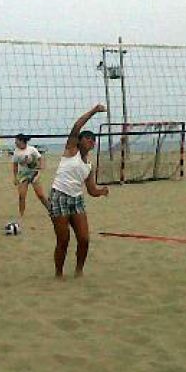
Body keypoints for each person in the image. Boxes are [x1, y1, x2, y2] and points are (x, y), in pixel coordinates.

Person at [45, 104, 109, 278]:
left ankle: (79, 270)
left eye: (93, 140)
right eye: (88, 139)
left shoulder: (89, 165)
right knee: (63, 240)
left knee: (84, 239)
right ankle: (59, 273)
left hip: (76, 199)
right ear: (79, 141)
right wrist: (94, 111)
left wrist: (101, 191)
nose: (91, 141)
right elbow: (77, 126)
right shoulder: (71, 150)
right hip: (59, 196)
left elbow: (91, 190)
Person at [12, 133, 48, 221]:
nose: (15, 142)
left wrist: (40, 167)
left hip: (34, 173)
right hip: (23, 175)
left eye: (16, 141)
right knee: (22, 196)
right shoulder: (16, 152)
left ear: (21, 141)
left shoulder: (32, 149)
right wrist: (15, 177)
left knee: (40, 195)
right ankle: (21, 215)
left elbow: (40, 158)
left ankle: (51, 210)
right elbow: (15, 165)